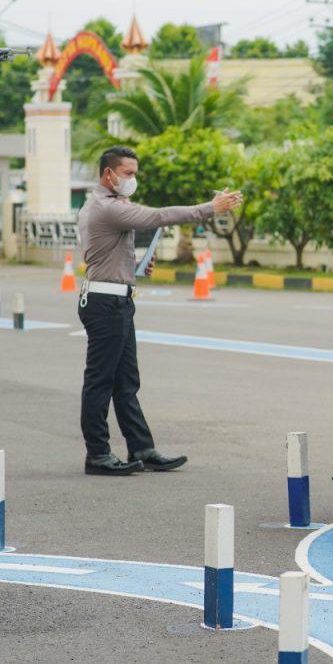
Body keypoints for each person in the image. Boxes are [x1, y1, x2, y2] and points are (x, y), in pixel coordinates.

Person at [78, 146, 242, 476]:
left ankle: (141, 447)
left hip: (117, 300)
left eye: (135, 173)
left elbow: (104, 256)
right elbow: (158, 217)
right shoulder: (106, 207)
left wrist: (137, 264)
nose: (133, 179)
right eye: (128, 173)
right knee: (100, 382)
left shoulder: (111, 207)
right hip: (105, 303)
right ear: (108, 174)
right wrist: (211, 208)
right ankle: (97, 454)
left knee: (126, 382)